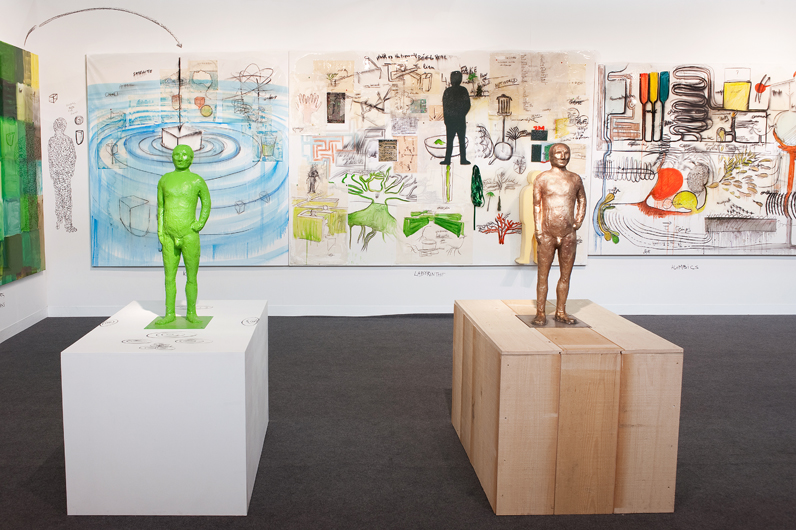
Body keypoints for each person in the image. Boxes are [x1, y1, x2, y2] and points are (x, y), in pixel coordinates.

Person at [155, 145, 211, 325]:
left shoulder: (197, 181)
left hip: (189, 235)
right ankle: (169, 313)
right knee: (169, 278)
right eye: (177, 154)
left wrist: (200, 223)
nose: (180, 157)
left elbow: (207, 203)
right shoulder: (164, 180)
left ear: (191, 158)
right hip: (169, 236)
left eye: (185, 154)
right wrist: (160, 231)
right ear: (172, 157)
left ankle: (191, 312)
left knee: (192, 277)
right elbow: (161, 208)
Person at [532, 143, 586, 325]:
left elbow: (582, 200)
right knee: (543, 276)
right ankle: (540, 312)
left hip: (568, 234)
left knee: (565, 275)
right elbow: (537, 205)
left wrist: (578, 221)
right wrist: (539, 231)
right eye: (558, 153)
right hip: (547, 234)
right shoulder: (542, 178)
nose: (563, 156)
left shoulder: (575, 179)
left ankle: (560, 311)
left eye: (566, 153)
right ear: (550, 156)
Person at [48, 118, 77, 232]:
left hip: (61, 174)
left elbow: (72, 157)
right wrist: (68, 171)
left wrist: (66, 171)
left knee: (61, 198)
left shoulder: (54, 141)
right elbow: (72, 157)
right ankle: (64, 224)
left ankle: (61, 223)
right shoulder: (65, 140)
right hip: (61, 174)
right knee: (64, 199)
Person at [441, 71, 471, 165]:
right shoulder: (463, 90)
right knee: (461, 141)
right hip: (460, 119)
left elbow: (445, 107)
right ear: (460, 79)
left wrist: (447, 119)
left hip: (451, 120)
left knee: (450, 141)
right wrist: (461, 114)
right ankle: (463, 159)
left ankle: (447, 159)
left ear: (451, 79)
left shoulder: (448, 91)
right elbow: (467, 105)